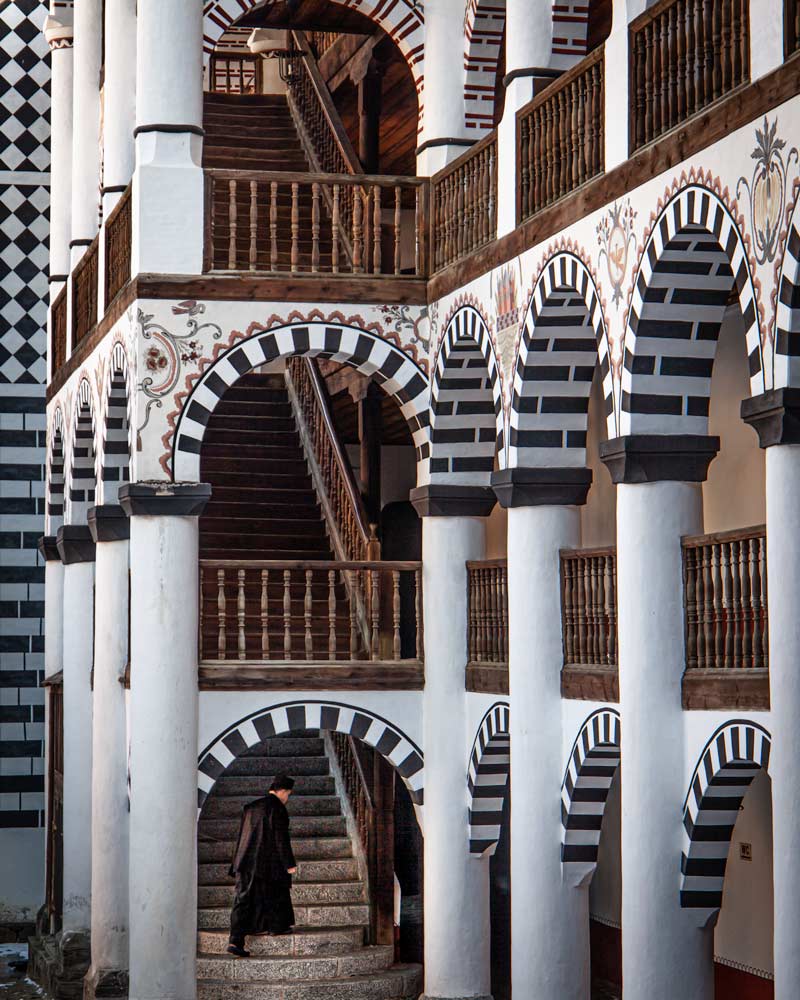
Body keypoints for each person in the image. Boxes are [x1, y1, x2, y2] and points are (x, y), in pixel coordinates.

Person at [227, 774, 297, 957]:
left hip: (244, 861)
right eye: (288, 794)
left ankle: (236, 940)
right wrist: (289, 863)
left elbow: (241, 835)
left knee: (243, 899)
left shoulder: (251, 807)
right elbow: (281, 838)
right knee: (275, 891)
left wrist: (235, 862)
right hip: (266, 863)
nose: (287, 798)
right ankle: (274, 927)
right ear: (282, 791)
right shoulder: (277, 808)